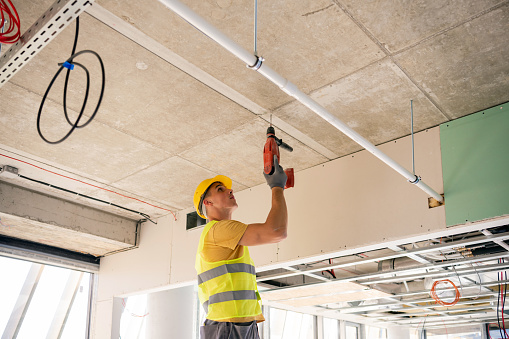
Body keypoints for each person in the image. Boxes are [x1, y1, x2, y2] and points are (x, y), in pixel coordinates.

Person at [193, 155, 288, 339]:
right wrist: (277, 187)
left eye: (227, 188)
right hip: (228, 326)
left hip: (237, 325)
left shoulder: (222, 233)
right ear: (208, 202)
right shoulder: (218, 230)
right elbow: (277, 231)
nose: (230, 190)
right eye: (220, 189)